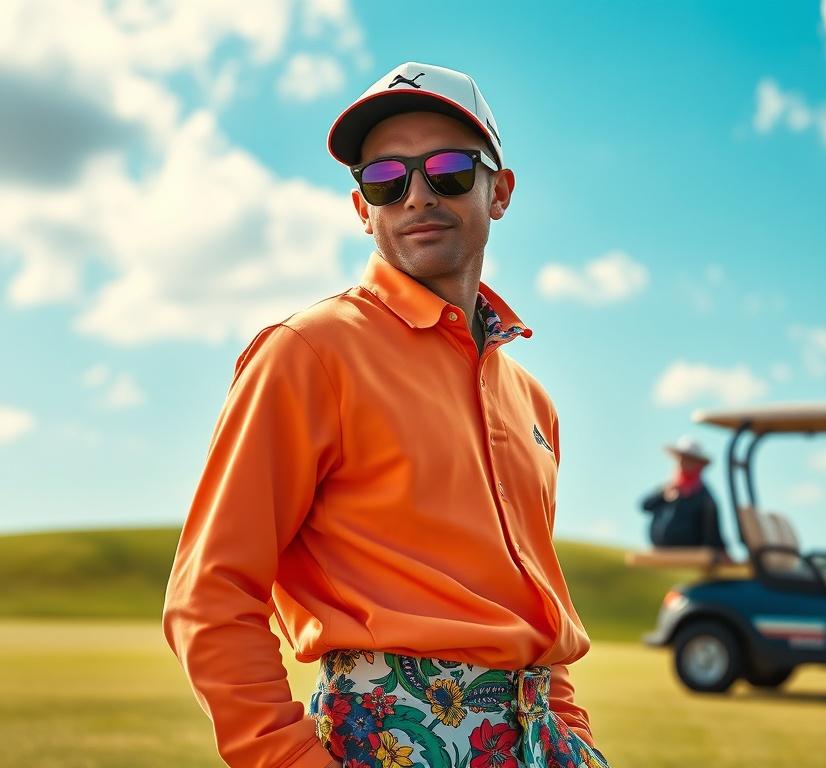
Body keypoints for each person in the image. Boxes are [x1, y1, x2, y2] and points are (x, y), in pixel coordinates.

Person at [161, 61, 611, 768]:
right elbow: (209, 596)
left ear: (500, 191)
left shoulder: (533, 403)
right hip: (389, 741)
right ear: (361, 208)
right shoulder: (308, 354)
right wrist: (286, 758)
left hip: (540, 741)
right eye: (385, 180)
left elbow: (533, 608)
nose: (417, 195)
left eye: (449, 170)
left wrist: (572, 734)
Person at [639, 435, 726, 551]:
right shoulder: (666, 487)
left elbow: (713, 533)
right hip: (659, 549)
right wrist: (662, 494)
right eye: (681, 459)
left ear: (698, 464)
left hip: (689, 551)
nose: (683, 463)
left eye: (689, 460)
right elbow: (644, 505)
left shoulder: (705, 497)